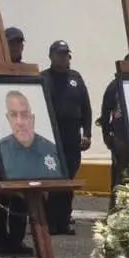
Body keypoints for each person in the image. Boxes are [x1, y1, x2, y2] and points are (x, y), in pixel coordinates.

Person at [41, 40, 93, 235]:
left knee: (68, 180)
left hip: (72, 138)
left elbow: (86, 108)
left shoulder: (75, 78)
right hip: (51, 139)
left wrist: (87, 133)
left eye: (66, 54)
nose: (64, 58)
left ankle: (64, 220)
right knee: (53, 181)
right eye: (60, 54)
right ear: (51, 56)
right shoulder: (43, 78)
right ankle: (50, 221)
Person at [0, 89, 65, 180]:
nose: (20, 122)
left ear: (33, 118)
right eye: (13, 115)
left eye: (25, 114)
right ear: (8, 118)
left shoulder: (52, 150)